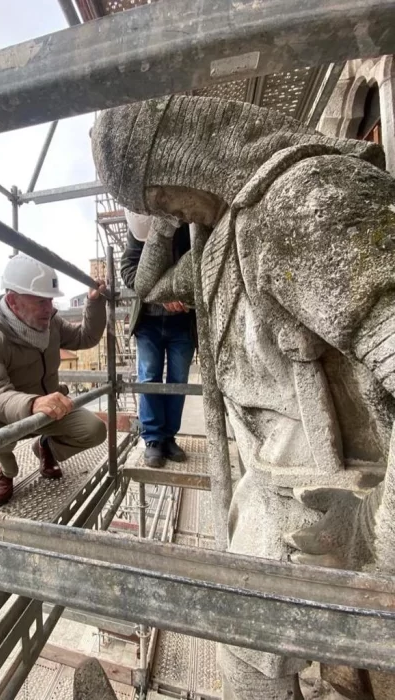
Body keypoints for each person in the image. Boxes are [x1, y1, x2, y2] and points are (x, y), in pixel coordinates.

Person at [92, 95, 395, 699]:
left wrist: (382, 533)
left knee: (251, 659)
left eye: (161, 200)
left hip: (333, 499)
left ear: (180, 165)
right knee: (249, 656)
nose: (168, 215)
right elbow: (149, 289)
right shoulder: (226, 232)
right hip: (279, 491)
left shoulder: (303, 202)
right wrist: (164, 227)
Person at [0, 253, 107, 506]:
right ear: (13, 301)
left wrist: (94, 302)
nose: (50, 308)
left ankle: (47, 448)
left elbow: (85, 338)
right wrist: (34, 403)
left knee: (95, 431)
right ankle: (7, 470)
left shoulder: (52, 322)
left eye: (51, 300)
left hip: (50, 410)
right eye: (40, 301)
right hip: (12, 412)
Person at [120, 209, 195, 468]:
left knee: (178, 381)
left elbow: (201, 265)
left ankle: (168, 437)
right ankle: (152, 439)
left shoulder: (189, 225)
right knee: (149, 377)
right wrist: (162, 294)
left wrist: (183, 292)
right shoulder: (139, 229)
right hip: (149, 321)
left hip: (182, 322)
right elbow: (128, 270)